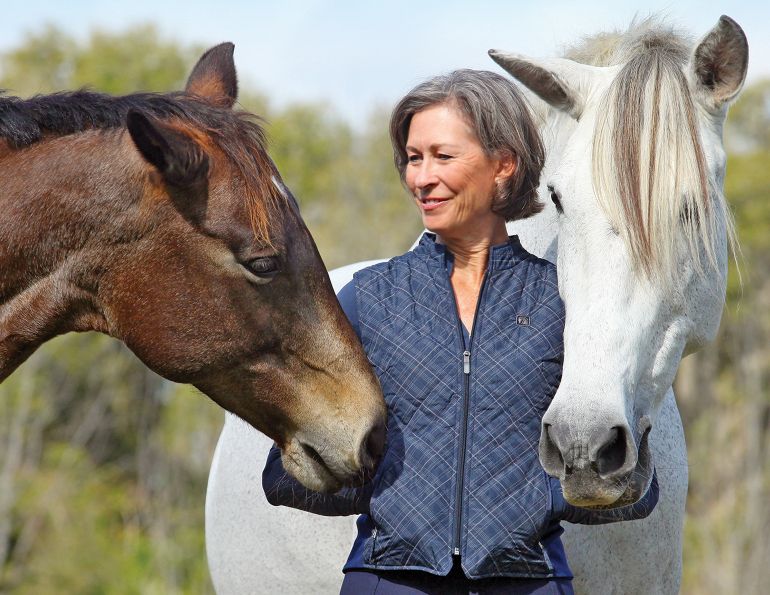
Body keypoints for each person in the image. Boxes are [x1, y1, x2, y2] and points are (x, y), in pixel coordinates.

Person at [262, 69, 658, 595]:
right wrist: (393, 492)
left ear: (503, 165)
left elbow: (635, 487)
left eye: (443, 156)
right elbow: (283, 473)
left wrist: (535, 497)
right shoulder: (368, 299)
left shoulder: (563, 304)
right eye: (413, 158)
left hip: (529, 581)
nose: (421, 178)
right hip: (387, 580)